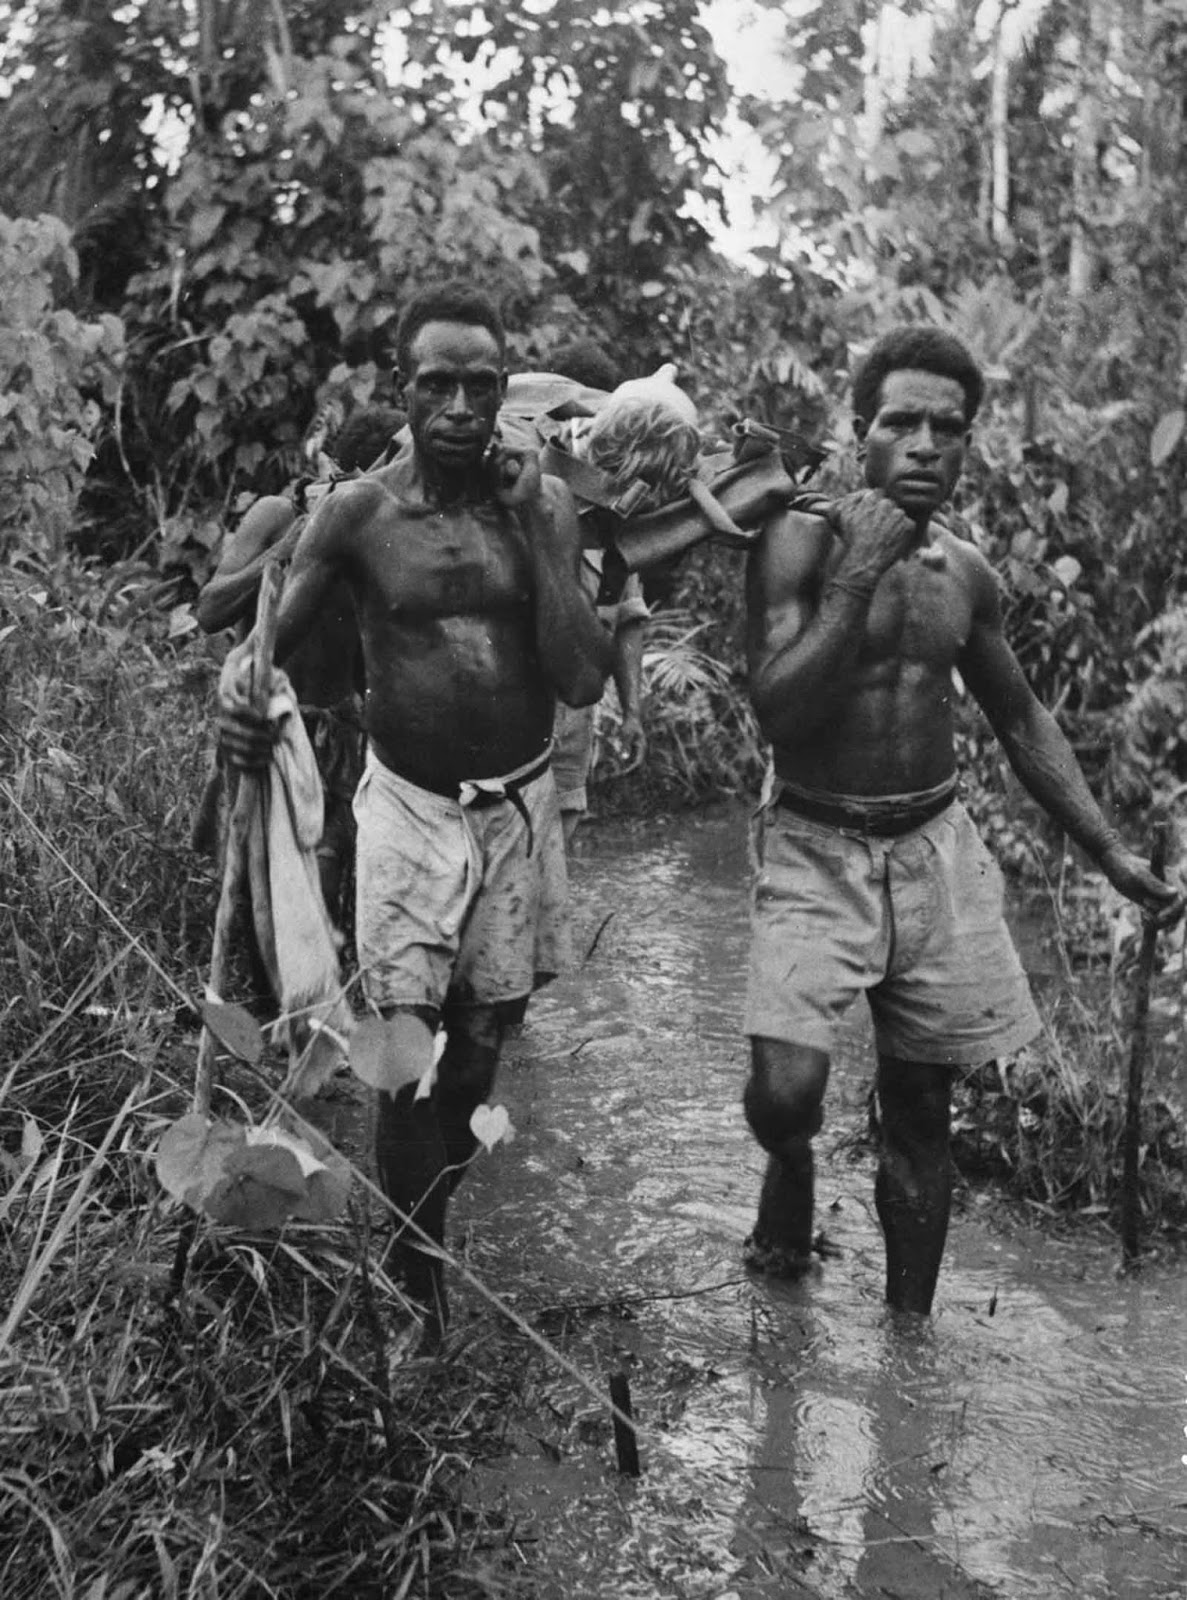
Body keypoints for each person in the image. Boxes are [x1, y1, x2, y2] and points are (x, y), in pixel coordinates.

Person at [742, 325, 1182, 1315]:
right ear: (859, 433)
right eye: (900, 422)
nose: (924, 445)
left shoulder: (964, 573)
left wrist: (1106, 849)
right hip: (813, 838)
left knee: (921, 1108)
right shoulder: (792, 543)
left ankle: (908, 1346)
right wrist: (855, 574)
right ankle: (793, 1168)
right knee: (783, 1095)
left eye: (947, 427)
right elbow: (777, 710)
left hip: (929, 843)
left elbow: (1018, 714)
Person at [217, 282, 613, 1342]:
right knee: (403, 1060)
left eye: (479, 385)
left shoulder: (539, 504)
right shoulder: (357, 515)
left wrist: (539, 528)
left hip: (518, 806)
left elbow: (579, 677)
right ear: (402, 389)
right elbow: (267, 652)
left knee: (479, 1054)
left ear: (501, 392)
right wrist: (239, 706)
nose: (458, 406)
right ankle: (417, 1278)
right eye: (436, 383)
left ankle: (424, 1227)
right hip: (406, 807)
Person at [195, 404, 405, 926]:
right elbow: (210, 609)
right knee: (251, 895)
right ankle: (262, 1002)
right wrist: (283, 553)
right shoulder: (276, 515)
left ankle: (322, 997)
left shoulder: (384, 531)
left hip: (337, 736)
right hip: (265, 728)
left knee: (324, 894)